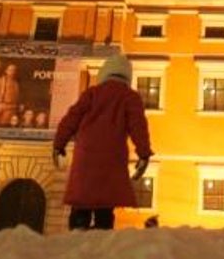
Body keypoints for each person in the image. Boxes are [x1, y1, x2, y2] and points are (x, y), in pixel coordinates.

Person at [52, 54, 152, 230]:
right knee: (105, 208)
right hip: (112, 159)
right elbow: (138, 127)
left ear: (104, 73)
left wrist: (58, 144)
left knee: (81, 204)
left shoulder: (91, 94)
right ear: (128, 76)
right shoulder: (130, 97)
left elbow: (71, 119)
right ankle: (102, 243)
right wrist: (143, 154)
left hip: (85, 157)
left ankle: (76, 238)